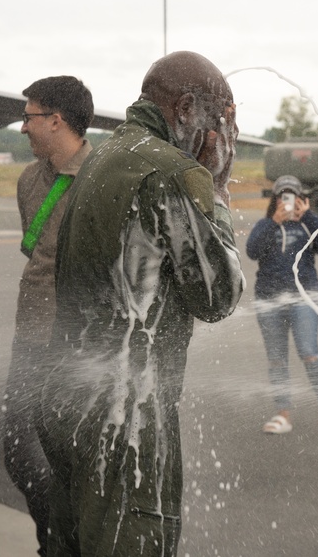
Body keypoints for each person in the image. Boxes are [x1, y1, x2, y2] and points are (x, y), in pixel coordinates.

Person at [37, 51, 244, 557]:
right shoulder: (172, 172)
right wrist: (215, 187)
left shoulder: (105, 157)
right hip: (124, 424)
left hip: (69, 400)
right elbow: (218, 296)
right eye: (222, 122)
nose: (224, 138)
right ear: (187, 108)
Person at [3, 75, 94, 556]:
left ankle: (66, 545)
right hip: (30, 340)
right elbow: (37, 254)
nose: (23, 127)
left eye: (30, 116)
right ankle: (53, 540)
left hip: (75, 347)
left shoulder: (100, 178)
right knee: (20, 453)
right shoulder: (29, 180)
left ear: (57, 119)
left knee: (69, 461)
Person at [246, 174, 318, 437]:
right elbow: (252, 251)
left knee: (309, 352)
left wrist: (309, 217)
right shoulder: (264, 225)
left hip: (304, 296)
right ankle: (283, 414)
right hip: (268, 298)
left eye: (292, 196)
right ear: (275, 199)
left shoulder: (308, 225)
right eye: (282, 196)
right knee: (276, 359)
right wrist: (272, 223)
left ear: (302, 198)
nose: (287, 201)